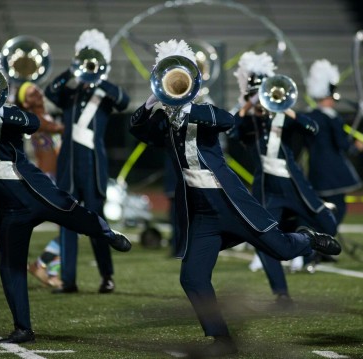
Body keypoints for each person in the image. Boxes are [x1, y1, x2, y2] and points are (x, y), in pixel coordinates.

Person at [129, 39, 341, 357]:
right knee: (192, 277)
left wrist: (185, 106)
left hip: (229, 203)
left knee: (281, 250)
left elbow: (227, 121)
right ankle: (221, 339)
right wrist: (151, 101)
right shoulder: (164, 123)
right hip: (201, 213)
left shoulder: (204, 113)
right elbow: (137, 130)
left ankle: (307, 238)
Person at [0, 32, 131, 344]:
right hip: (7, 206)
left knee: (73, 212)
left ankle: (107, 233)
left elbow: (31, 122)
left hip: (32, 190)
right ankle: (22, 328)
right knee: (10, 265)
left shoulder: (9, 110)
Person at [229, 51, 338, 304]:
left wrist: (288, 111)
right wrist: (246, 107)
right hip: (267, 190)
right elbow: (231, 131)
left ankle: (304, 236)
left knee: (329, 226)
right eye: (254, 94)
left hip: (294, 185)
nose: (259, 100)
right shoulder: (247, 123)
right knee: (263, 239)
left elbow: (313, 128)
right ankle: (281, 293)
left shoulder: (283, 116)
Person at [45, 29, 130, 294]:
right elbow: (50, 90)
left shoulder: (104, 97)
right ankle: (67, 279)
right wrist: (73, 70)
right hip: (68, 167)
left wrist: (98, 77)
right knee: (67, 221)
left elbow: (124, 100)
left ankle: (107, 276)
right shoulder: (69, 95)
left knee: (97, 223)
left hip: (92, 168)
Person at [14, 81, 64, 288]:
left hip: (55, 178)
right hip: (47, 179)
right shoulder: (35, 120)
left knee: (68, 227)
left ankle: (50, 272)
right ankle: (41, 265)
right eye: (32, 92)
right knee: (70, 227)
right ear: (26, 102)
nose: (38, 92)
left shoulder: (46, 117)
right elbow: (60, 129)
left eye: (36, 88)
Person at [304, 59, 363, 225]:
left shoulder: (309, 116)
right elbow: (342, 144)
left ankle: (315, 241)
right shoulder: (332, 117)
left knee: (319, 208)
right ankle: (324, 242)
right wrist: (356, 147)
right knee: (338, 207)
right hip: (332, 171)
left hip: (315, 169)